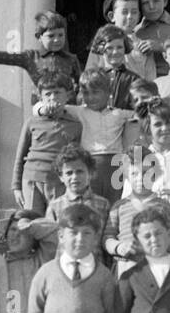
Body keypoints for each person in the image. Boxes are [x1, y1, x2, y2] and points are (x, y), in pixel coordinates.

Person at [36, 71, 137, 203]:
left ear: (108, 92)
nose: (90, 97)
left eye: (95, 92)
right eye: (86, 93)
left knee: (114, 202)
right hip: (90, 162)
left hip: (115, 164)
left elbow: (140, 114)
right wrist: (43, 109)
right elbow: (39, 107)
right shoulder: (79, 111)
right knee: (91, 202)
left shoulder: (119, 114)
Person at [105, 151, 170, 275]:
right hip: (126, 265)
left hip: (158, 266)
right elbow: (107, 238)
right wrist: (120, 247)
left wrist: (160, 244)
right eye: (134, 173)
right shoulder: (119, 207)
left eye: (146, 173)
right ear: (126, 176)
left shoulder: (164, 205)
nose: (140, 178)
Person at [11, 73, 81, 212]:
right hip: (31, 180)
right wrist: (16, 187)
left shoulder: (75, 125)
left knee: (58, 222)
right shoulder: (32, 122)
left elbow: (75, 159)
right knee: (32, 222)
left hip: (59, 182)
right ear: (40, 98)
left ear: (67, 95)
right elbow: (20, 156)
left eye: (57, 93)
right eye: (48, 94)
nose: (53, 98)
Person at [0, 10, 83, 88]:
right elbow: (5, 57)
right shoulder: (32, 57)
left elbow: (81, 86)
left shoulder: (71, 59)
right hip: (41, 111)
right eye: (51, 36)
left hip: (68, 112)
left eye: (60, 35)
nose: (57, 40)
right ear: (39, 37)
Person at [86, 0, 155, 84]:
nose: (130, 16)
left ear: (139, 15)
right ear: (112, 16)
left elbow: (151, 79)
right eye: (124, 12)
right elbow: (90, 75)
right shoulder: (102, 42)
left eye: (134, 12)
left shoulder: (143, 45)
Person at [135, 97, 170, 194]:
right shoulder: (139, 160)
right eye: (158, 124)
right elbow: (129, 197)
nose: (165, 128)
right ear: (148, 129)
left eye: (169, 123)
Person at [85, 25, 147, 109]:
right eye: (109, 48)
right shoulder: (92, 78)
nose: (115, 52)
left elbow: (140, 110)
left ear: (125, 48)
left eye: (119, 47)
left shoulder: (133, 79)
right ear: (100, 49)